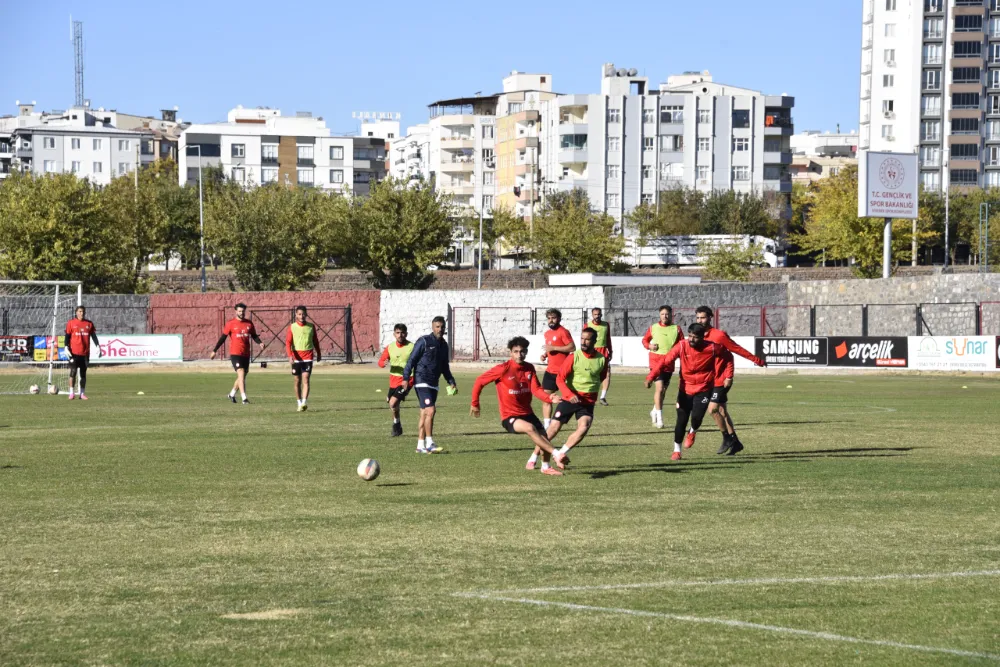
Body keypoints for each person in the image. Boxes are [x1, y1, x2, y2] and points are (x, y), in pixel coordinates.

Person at [470, 336, 567, 476]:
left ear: (526, 352)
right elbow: (480, 381)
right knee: (529, 428)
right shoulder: (503, 369)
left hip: (527, 413)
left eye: (522, 351)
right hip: (509, 416)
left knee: (544, 437)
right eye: (515, 351)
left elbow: (536, 390)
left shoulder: (529, 368)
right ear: (510, 352)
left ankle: (546, 466)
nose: (519, 354)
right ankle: (557, 454)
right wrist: (475, 404)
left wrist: (549, 398)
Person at [691, 306, 767, 455]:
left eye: (703, 317)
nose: (700, 320)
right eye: (698, 318)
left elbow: (735, 351)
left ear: (710, 318)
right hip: (708, 381)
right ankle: (736, 442)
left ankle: (727, 438)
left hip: (721, 379)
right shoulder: (696, 337)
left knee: (712, 409)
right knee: (721, 411)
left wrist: (755, 361)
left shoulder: (718, 336)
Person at [645, 323, 724, 461]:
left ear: (702, 337)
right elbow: (664, 361)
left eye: (695, 337)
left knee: (696, 418)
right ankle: (677, 450)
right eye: (690, 336)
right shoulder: (682, 346)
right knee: (681, 421)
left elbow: (728, 356)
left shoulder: (712, 347)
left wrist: (727, 375)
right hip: (685, 390)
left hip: (704, 389)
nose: (691, 339)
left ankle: (693, 431)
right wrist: (651, 377)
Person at [540, 327, 608, 465]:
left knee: (584, 427)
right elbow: (560, 378)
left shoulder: (602, 359)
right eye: (582, 338)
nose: (583, 342)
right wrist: (569, 394)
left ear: (594, 341)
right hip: (569, 398)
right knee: (553, 429)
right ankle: (534, 457)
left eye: (587, 339)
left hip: (587, 401)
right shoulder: (573, 356)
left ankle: (561, 453)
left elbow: (600, 377)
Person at [401, 316, 456, 454]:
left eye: (442, 327)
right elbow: (411, 360)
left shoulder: (444, 345)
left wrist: (451, 381)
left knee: (424, 414)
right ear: (432, 327)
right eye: (437, 326)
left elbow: (445, 366)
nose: (440, 329)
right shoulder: (424, 341)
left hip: (434, 383)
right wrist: (406, 378)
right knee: (431, 410)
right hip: (421, 380)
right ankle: (430, 443)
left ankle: (420, 445)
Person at [210, 302, 262, 405]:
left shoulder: (249, 323)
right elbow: (222, 338)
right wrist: (214, 350)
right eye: (239, 311)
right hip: (235, 353)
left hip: (246, 354)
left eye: (243, 311)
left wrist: (260, 343)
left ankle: (232, 394)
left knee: (242, 377)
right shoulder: (230, 323)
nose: (241, 313)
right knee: (241, 373)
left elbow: (254, 336)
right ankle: (244, 398)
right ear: (236, 311)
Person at [641, 305, 682, 429]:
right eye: (663, 314)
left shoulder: (677, 329)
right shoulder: (653, 328)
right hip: (655, 362)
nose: (665, 316)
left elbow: (681, 345)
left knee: (663, 391)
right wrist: (650, 346)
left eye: (667, 314)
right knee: (659, 389)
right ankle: (659, 418)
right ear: (659, 315)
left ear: (671, 315)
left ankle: (654, 411)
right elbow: (644, 340)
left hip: (669, 362)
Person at [538, 308, 575, 428]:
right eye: (549, 318)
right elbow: (551, 349)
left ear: (559, 318)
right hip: (550, 371)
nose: (551, 320)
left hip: (564, 372)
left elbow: (572, 347)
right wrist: (545, 355)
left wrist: (553, 348)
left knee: (569, 398)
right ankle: (547, 425)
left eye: (553, 318)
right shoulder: (547, 333)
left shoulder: (563, 332)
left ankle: (568, 419)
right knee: (546, 398)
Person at [378, 323, 414, 437]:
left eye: (402, 333)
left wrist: (410, 380)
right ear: (394, 334)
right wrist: (383, 363)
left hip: (406, 380)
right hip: (393, 381)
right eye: (398, 333)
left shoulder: (412, 347)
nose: (400, 335)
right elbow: (381, 361)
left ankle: (396, 426)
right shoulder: (390, 347)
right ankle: (397, 424)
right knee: (393, 406)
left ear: (406, 334)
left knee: (393, 402)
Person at [286, 305, 321, 412]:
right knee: (297, 381)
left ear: (306, 314)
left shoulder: (311, 326)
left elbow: (315, 341)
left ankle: (304, 403)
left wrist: (319, 353)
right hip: (296, 357)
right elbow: (288, 342)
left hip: (308, 356)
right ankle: (299, 402)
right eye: (299, 314)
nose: (301, 316)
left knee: (306, 379)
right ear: (296, 315)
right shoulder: (292, 327)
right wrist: (290, 355)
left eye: (303, 314)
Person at [65, 305, 102, 400]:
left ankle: (82, 393)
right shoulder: (71, 323)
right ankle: (71, 393)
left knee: (83, 374)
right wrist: (66, 347)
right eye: (80, 311)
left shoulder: (89, 324)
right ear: (76, 312)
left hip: (85, 353)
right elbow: (67, 336)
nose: (81, 313)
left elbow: (93, 336)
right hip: (74, 353)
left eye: (83, 311)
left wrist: (98, 346)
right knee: (73, 372)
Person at [586, 307, 613, 406]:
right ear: (592, 315)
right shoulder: (587, 325)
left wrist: (610, 350)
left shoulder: (606, 325)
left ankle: (602, 397)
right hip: (592, 351)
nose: (597, 316)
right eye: (595, 314)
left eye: (599, 314)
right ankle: (588, 395)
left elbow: (608, 338)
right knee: (590, 373)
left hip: (603, 352)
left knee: (607, 374)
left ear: (601, 314)